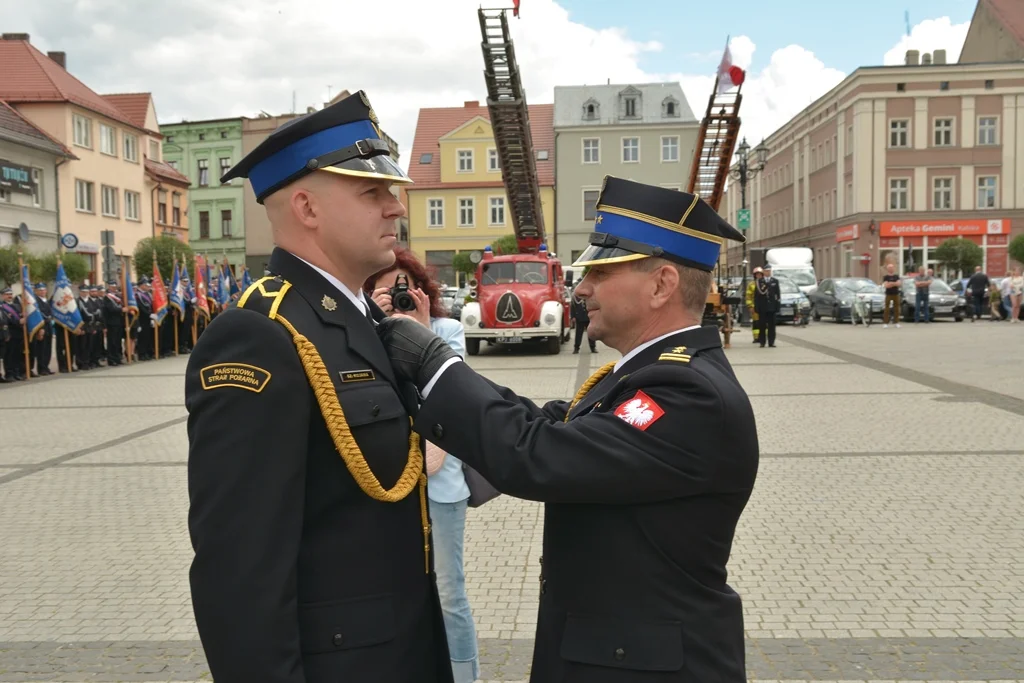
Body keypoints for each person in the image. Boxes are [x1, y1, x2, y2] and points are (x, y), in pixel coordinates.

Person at [376, 176, 759, 682]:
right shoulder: (648, 375)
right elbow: (543, 423)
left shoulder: (688, 393)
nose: (582, 289)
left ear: (661, 284)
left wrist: (433, 363)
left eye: (600, 273)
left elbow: (540, 454)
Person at [183, 91, 452, 683]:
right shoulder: (261, 334)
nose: (396, 207)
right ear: (306, 206)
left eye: (392, 190)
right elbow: (240, 568)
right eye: (372, 192)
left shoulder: (366, 321)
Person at [364, 247, 480, 683]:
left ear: (421, 289)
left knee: (449, 593)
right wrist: (372, 322)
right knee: (399, 589)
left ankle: (464, 676)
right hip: (390, 486)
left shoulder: (446, 329)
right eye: (383, 291)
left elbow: (451, 397)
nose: (395, 298)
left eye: (402, 288)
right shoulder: (362, 336)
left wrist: (422, 328)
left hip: (441, 488)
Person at [754, 264, 780, 347]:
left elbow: (778, 295)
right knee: (762, 325)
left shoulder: (775, 281)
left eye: (769, 271)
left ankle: (771, 342)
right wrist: (756, 307)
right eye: (766, 271)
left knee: (772, 326)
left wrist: (777, 306)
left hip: (772, 307)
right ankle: (762, 342)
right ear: (764, 272)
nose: (768, 272)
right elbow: (757, 295)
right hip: (763, 307)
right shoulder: (759, 281)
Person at [881, 263, 902, 328]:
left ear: (893, 268)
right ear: (887, 269)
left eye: (892, 267)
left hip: (896, 293)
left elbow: (899, 284)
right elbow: (886, 285)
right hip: (888, 294)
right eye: (889, 268)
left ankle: (896, 322)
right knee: (887, 308)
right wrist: (894, 283)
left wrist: (891, 283)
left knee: (897, 308)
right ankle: (885, 323)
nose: (891, 269)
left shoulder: (896, 276)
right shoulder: (885, 277)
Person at [745, 267, 762, 343]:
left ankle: (763, 337)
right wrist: (750, 306)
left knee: (764, 323)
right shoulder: (751, 284)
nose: (758, 276)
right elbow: (748, 296)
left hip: (763, 307)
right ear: (754, 275)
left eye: (760, 274)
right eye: (757, 274)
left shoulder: (764, 283)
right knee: (756, 323)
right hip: (755, 307)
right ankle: (756, 338)